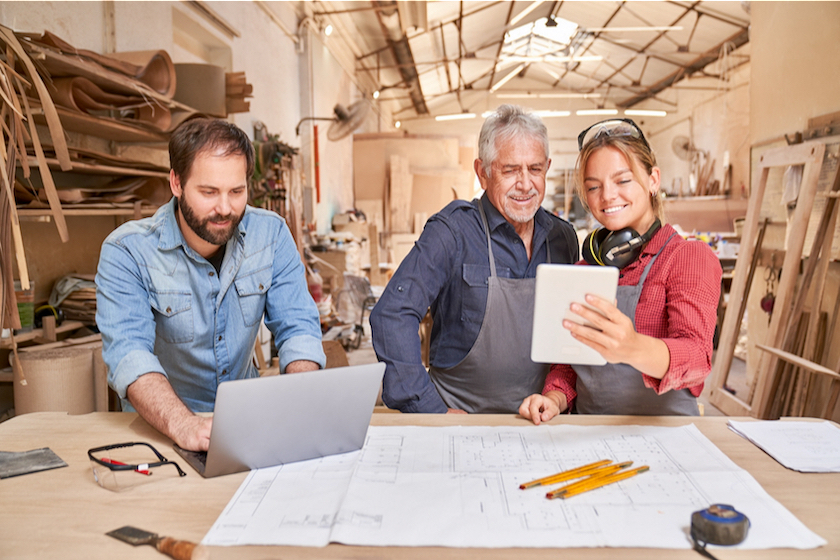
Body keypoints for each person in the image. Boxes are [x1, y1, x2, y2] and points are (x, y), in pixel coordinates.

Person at [96, 118, 325, 450]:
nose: (225, 208)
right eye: (208, 192)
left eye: (236, 191)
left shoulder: (271, 235)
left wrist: (302, 398)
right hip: (161, 430)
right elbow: (130, 355)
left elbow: (298, 327)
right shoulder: (126, 252)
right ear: (176, 182)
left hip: (247, 423)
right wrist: (185, 425)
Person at [370, 105, 579, 414]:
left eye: (534, 169)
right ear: (483, 172)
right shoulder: (452, 232)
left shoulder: (563, 239)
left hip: (538, 420)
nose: (525, 184)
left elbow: (570, 341)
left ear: (547, 167)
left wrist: (559, 398)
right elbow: (392, 315)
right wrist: (430, 409)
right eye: (510, 170)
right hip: (459, 421)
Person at [520, 118, 722, 423]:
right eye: (593, 187)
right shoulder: (585, 268)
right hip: (589, 434)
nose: (607, 196)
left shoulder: (687, 257)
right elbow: (568, 365)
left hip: (666, 436)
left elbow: (697, 359)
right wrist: (554, 399)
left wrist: (631, 347)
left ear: (653, 179)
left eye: (623, 180)